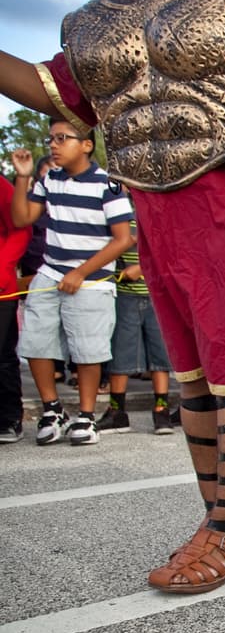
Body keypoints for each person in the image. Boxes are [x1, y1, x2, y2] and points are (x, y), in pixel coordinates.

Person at [0, 0, 225, 590]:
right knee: (195, 381)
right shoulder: (94, 19)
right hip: (163, 221)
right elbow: (62, 94)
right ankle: (218, 522)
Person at [10, 125, 135, 447]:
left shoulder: (106, 185)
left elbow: (123, 239)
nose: (54, 145)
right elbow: (22, 218)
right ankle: (53, 410)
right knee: (35, 343)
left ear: (86, 145)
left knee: (88, 350)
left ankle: (86, 415)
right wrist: (23, 176)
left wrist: (81, 272)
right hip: (51, 273)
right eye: (50, 139)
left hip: (91, 281)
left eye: (62, 138)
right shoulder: (50, 180)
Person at [96, 216, 177, 435]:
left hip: (156, 295)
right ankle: (117, 412)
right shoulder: (116, 217)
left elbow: (173, 250)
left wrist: (142, 267)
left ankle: (161, 411)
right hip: (124, 294)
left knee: (159, 353)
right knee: (121, 352)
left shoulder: (156, 215)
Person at [0, 174, 31, 444]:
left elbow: (21, 229)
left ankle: (8, 419)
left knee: (2, 358)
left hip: (1, 287)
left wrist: (2, 269)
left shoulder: (1, 186)